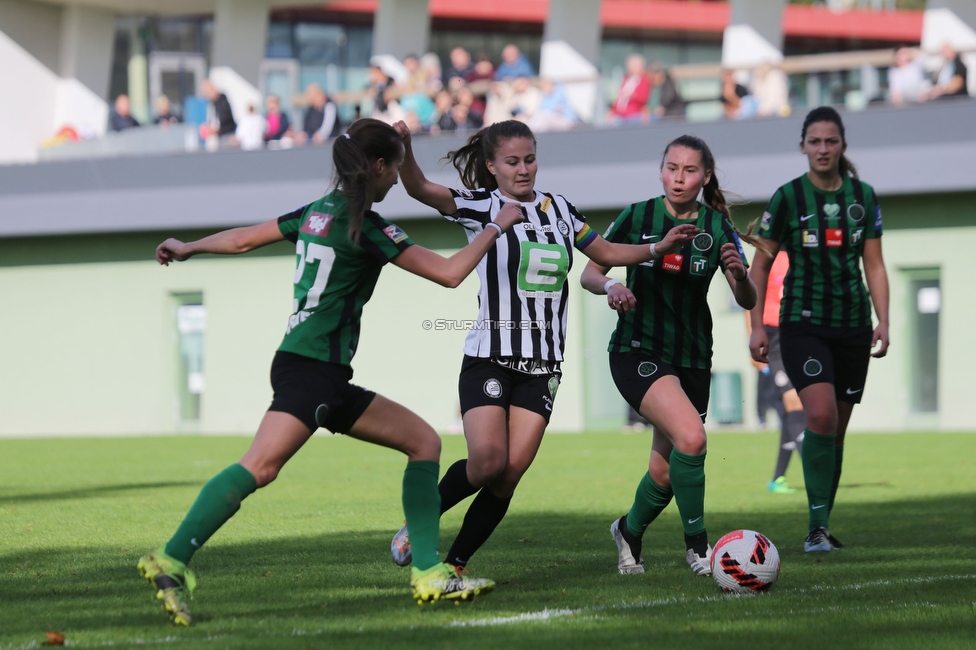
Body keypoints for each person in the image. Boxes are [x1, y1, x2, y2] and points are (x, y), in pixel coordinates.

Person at [137, 119, 523, 626]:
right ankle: (171, 558)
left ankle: (429, 572)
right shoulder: (371, 227)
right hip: (313, 370)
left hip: (316, 369)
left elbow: (243, 241)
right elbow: (450, 274)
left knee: (424, 442)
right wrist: (497, 225)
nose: (393, 180)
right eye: (392, 168)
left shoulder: (317, 213)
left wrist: (189, 247)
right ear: (379, 167)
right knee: (260, 466)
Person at [387, 119, 696, 573]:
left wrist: (657, 248)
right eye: (512, 162)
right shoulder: (481, 205)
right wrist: (406, 148)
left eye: (530, 159)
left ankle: (455, 566)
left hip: (544, 365)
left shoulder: (561, 209)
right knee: (487, 461)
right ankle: (420, 519)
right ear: (491, 166)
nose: (524, 169)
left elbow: (606, 253)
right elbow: (418, 189)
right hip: (490, 356)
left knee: (509, 474)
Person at [579, 135, 760, 577]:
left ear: (705, 176)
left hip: (693, 357)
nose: (680, 178)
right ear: (661, 171)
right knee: (694, 440)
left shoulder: (717, 226)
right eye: (672, 168)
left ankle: (628, 531)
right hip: (636, 349)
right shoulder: (638, 216)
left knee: (665, 471)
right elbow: (590, 272)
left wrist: (739, 276)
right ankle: (699, 548)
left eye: (690, 170)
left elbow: (748, 298)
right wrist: (612, 286)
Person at [748, 106, 890, 553]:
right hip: (802, 325)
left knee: (837, 429)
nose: (823, 149)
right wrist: (756, 325)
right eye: (815, 141)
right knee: (821, 416)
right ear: (803, 146)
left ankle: (823, 524)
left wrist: (883, 319)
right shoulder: (788, 197)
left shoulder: (862, 196)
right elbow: (761, 263)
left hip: (852, 326)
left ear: (842, 146)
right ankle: (815, 530)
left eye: (830, 141)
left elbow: (875, 264)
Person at [746, 250, 805, 494]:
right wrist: (752, 337)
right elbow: (748, 300)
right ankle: (815, 472)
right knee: (794, 402)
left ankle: (777, 478)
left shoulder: (801, 255)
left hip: (797, 334)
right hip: (772, 336)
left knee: (793, 411)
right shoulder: (767, 257)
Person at [608, 55, 651, 123]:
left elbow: (643, 98)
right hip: (620, 115)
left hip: (633, 116)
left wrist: (632, 95)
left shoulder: (644, 80)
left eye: (634, 65)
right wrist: (612, 110)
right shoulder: (626, 78)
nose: (631, 67)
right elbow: (618, 97)